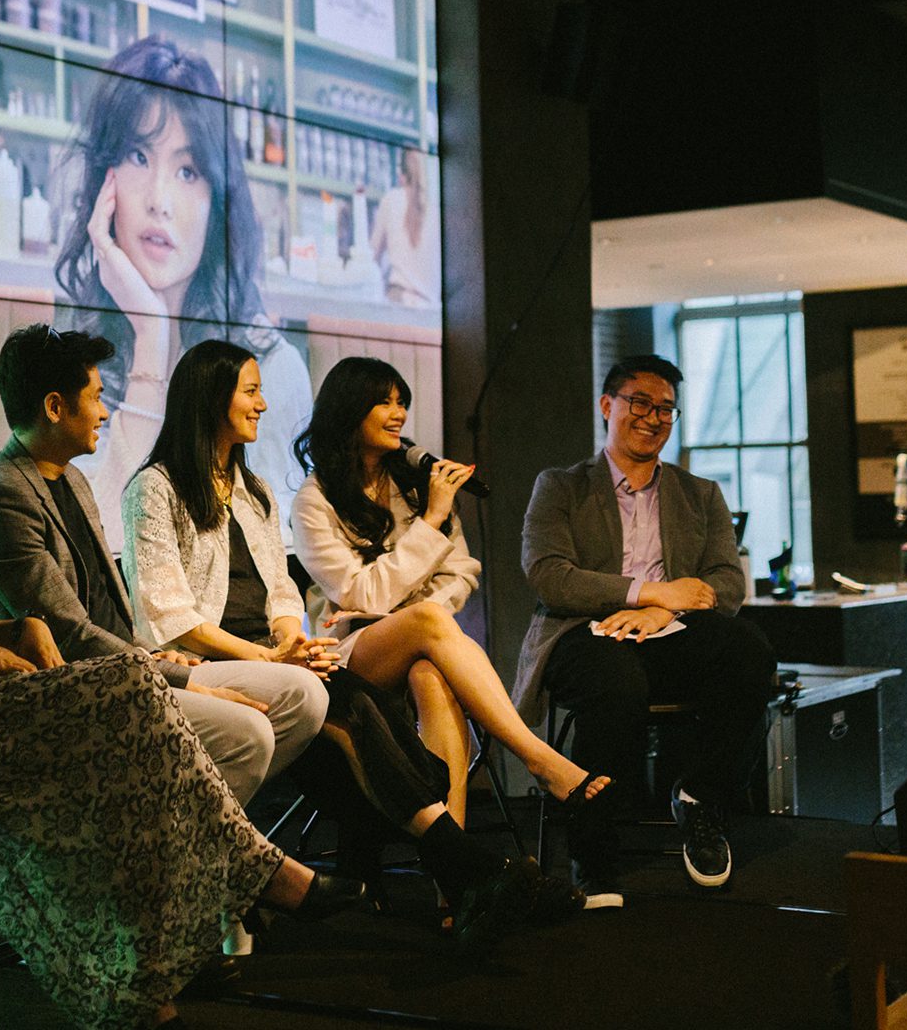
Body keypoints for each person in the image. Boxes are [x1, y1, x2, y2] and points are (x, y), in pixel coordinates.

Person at [0, 330, 359, 1030]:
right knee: (132, 692)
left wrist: (11, 632)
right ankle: (251, 882)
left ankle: (160, 958)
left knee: (139, 711)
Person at [125, 339, 594, 952]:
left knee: (383, 687)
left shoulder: (253, 490)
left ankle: (461, 877)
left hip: (281, 658)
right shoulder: (156, 489)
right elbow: (170, 616)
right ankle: (475, 861)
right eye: (251, 390)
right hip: (207, 663)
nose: (264, 403)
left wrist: (293, 641)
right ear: (210, 397)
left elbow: (281, 597)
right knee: (347, 698)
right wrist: (273, 658)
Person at [289, 357, 619, 908]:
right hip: (347, 657)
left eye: (403, 402)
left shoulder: (416, 485)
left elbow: (461, 572)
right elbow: (360, 596)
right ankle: (538, 760)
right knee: (428, 624)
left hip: (418, 644)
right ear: (349, 410)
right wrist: (430, 530)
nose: (399, 413)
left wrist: (423, 614)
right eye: (385, 401)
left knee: (431, 670)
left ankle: (456, 884)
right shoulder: (314, 498)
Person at [0, 322, 327, 808]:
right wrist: (163, 665)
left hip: (135, 662)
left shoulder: (71, 478)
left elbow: (111, 609)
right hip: (90, 684)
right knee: (251, 732)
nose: (105, 411)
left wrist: (160, 656)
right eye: (96, 397)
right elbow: (70, 632)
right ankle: (180, 850)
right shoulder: (2, 494)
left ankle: (171, 825)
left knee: (307, 697)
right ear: (54, 407)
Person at [513, 353, 780, 897]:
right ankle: (593, 853)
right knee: (615, 683)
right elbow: (550, 577)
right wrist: (650, 591)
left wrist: (663, 610)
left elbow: (728, 580)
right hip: (581, 634)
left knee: (750, 652)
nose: (652, 417)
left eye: (666, 409)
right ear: (608, 405)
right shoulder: (560, 487)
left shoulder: (700, 493)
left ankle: (701, 799)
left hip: (670, 633)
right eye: (640, 402)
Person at [53, 34, 311, 545]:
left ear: (218, 199)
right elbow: (99, 552)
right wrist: (151, 336)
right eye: (137, 156)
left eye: (188, 170)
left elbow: (272, 557)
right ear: (103, 179)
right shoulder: (67, 361)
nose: (159, 201)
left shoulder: (269, 369)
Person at [368, 150, 441, 309]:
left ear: (401, 176)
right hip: (432, 310)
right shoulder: (436, 211)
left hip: (399, 301)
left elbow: (372, 258)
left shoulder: (391, 199)